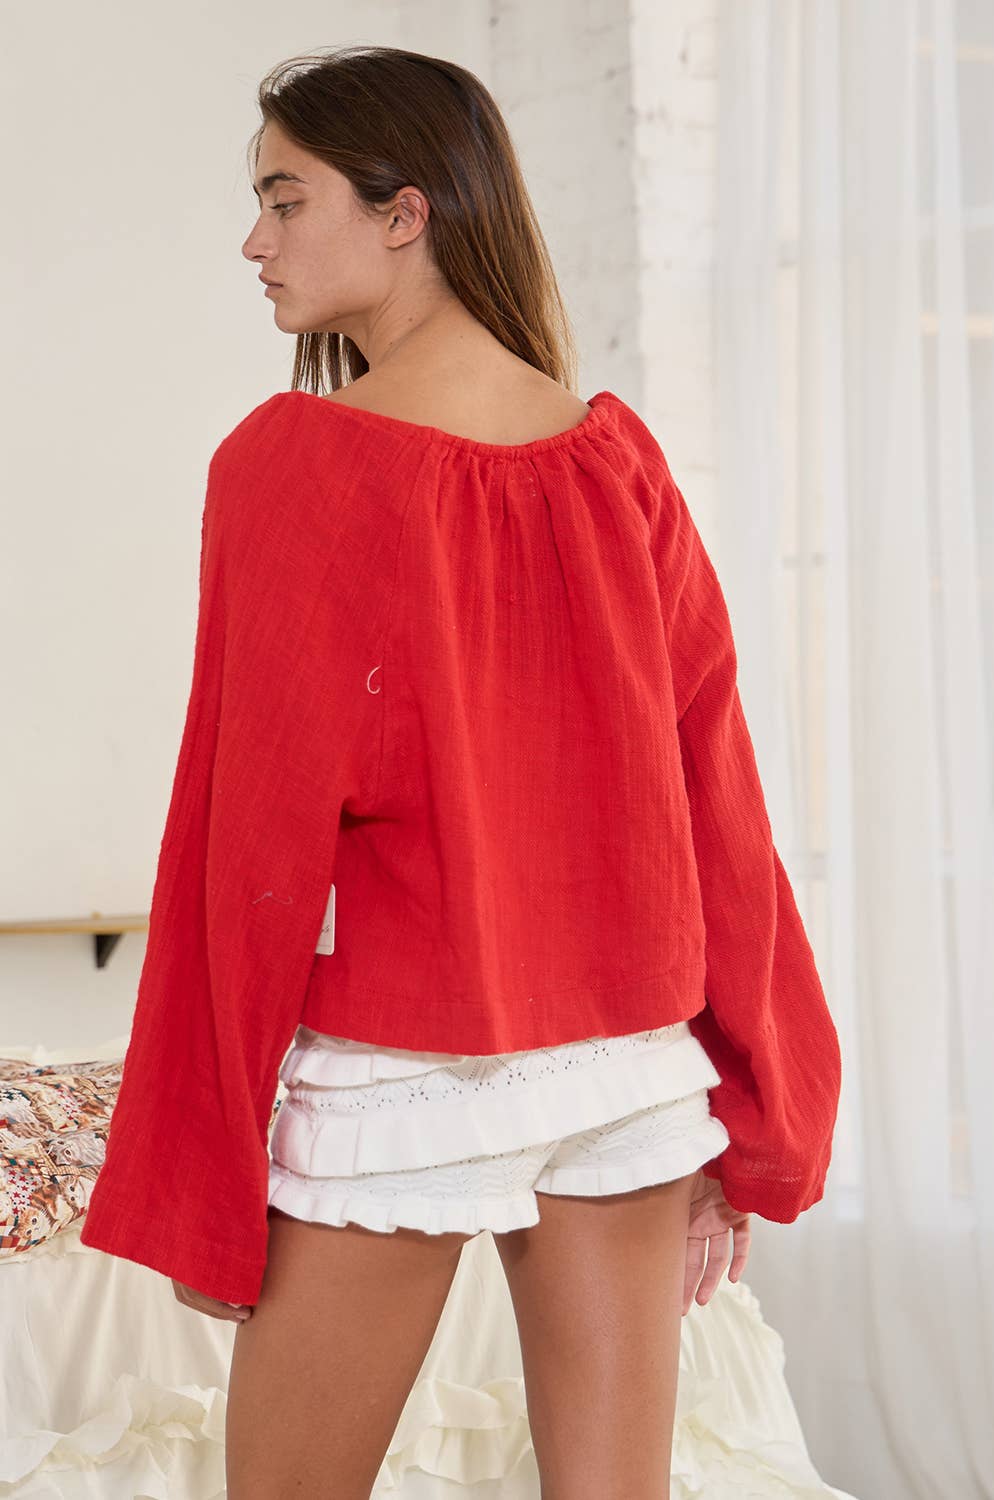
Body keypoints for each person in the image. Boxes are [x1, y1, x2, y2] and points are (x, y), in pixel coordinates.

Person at [79, 45, 841, 1500]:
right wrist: (756, 1107)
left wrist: (205, 1178)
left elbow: (245, 848)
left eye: (284, 200)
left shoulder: (294, 466)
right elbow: (719, 810)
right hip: (628, 1070)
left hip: (407, 1070)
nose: (254, 242)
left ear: (404, 213)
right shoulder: (616, 460)